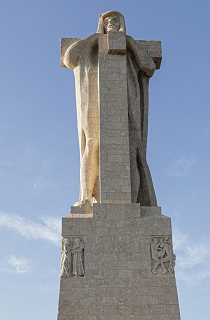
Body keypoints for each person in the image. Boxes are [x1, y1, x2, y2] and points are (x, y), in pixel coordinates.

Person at [62, 10, 158, 208]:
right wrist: (95, 39)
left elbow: (149, 65)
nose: (112, 23)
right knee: (92, 143)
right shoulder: (94, 44)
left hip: (129, 105)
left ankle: (132, 202)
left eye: (116, 19)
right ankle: (86, 198)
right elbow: (69, 58)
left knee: (133, 149)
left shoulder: (130, 45)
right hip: (94, 104)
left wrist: (129, 42)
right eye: (107, 21)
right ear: (102, 25)